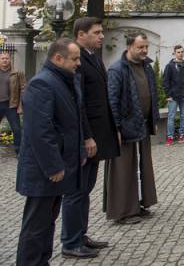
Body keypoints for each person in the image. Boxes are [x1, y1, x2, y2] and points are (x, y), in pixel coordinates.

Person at [16, 39, 85, 266]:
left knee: (47, 222)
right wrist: (53, 166)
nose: (78, 63)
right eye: (74, 59)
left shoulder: (63, 80)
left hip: (57, 167)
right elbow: (40, 131)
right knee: (36, 226)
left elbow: (71, 123)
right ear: (58, 58)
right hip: (43, 171)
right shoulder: (42, 84)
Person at [61, 17, 120, 258]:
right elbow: (79, 102)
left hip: (99, 133)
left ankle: (80, 235)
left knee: (86, 188)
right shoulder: (77, 60)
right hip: (86, 137)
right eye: (96, 32)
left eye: (101, 32)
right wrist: (87, 136)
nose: (101, 36)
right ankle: (70, 242)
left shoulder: (93, 57)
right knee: (76, 190)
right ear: (81, 34)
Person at [105, 32, 159, 224]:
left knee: (144, 166)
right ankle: (123, 211)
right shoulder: (117, 69)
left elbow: (152, 93)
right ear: (129, 47)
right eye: (140, 47)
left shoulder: (147, 67)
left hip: (142, 123)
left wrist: (153, 119)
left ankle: (140, 204)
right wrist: (116, 128)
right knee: (123, 169)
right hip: (125, 126)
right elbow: (112, 101)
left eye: (146, 47)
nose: (144, 50)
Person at [163, 44, 184, 145]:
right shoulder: (170, 66)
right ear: (174, 53)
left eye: (182, 52)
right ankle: (170, 137)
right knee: (171, 116)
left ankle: (182, 135)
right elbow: (165, 81)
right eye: (178, 52)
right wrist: (168, 95)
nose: (180, 54)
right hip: (173, 96)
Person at [0, 48, 25, 156]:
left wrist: (20, 106)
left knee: (16, 129)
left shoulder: (17, 73)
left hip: (11, 105)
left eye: (6, 58)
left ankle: (19, 151)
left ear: (10, 59)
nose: (4, 60)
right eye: (2, 58)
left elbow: (23, 89)